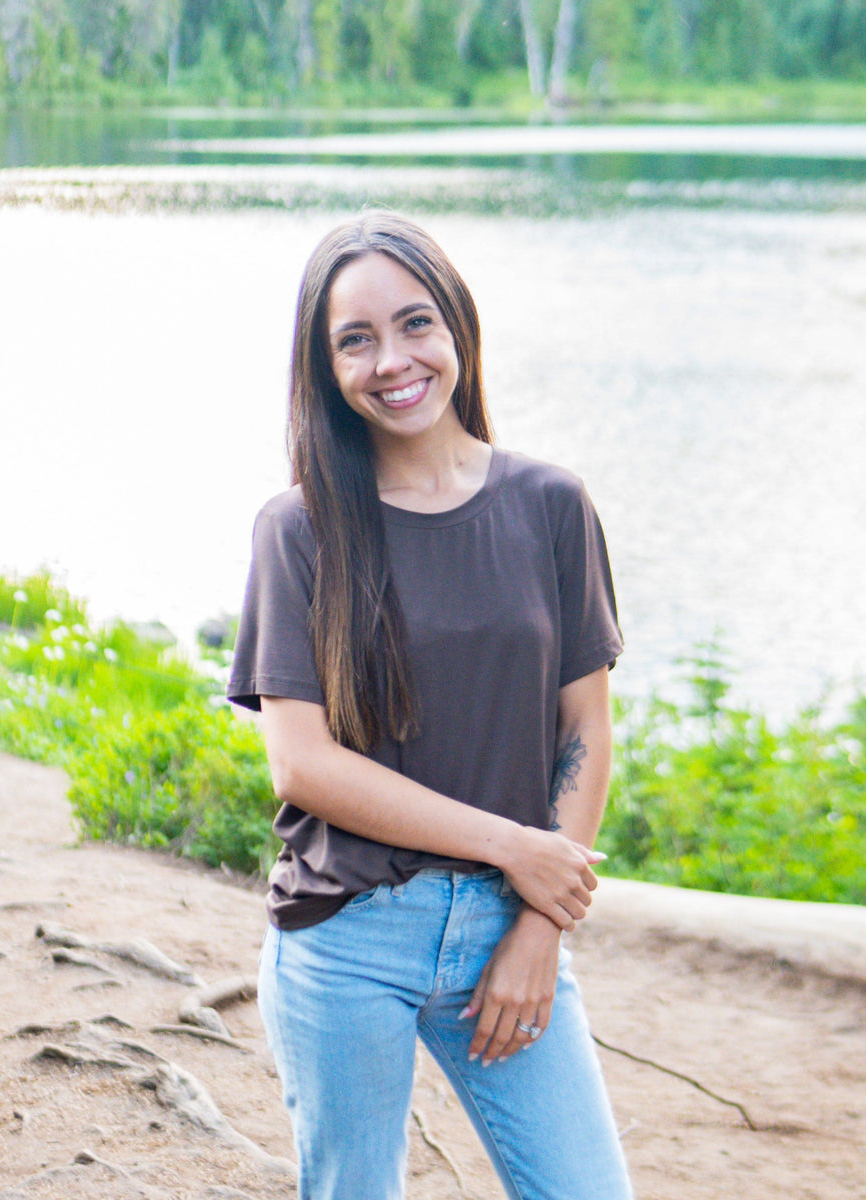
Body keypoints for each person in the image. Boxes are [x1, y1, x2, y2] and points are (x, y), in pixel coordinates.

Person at [227, 212, 633, 1200]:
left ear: (458, 329)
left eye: (415, 324)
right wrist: (513, 845)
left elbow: (584, 728)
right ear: (325, 369)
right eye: (353, 340)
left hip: (512, 923)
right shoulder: (302, 530)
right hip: (349, 936)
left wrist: (540, 926)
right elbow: (303, 766)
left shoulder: (550, 504)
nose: (392, 360)